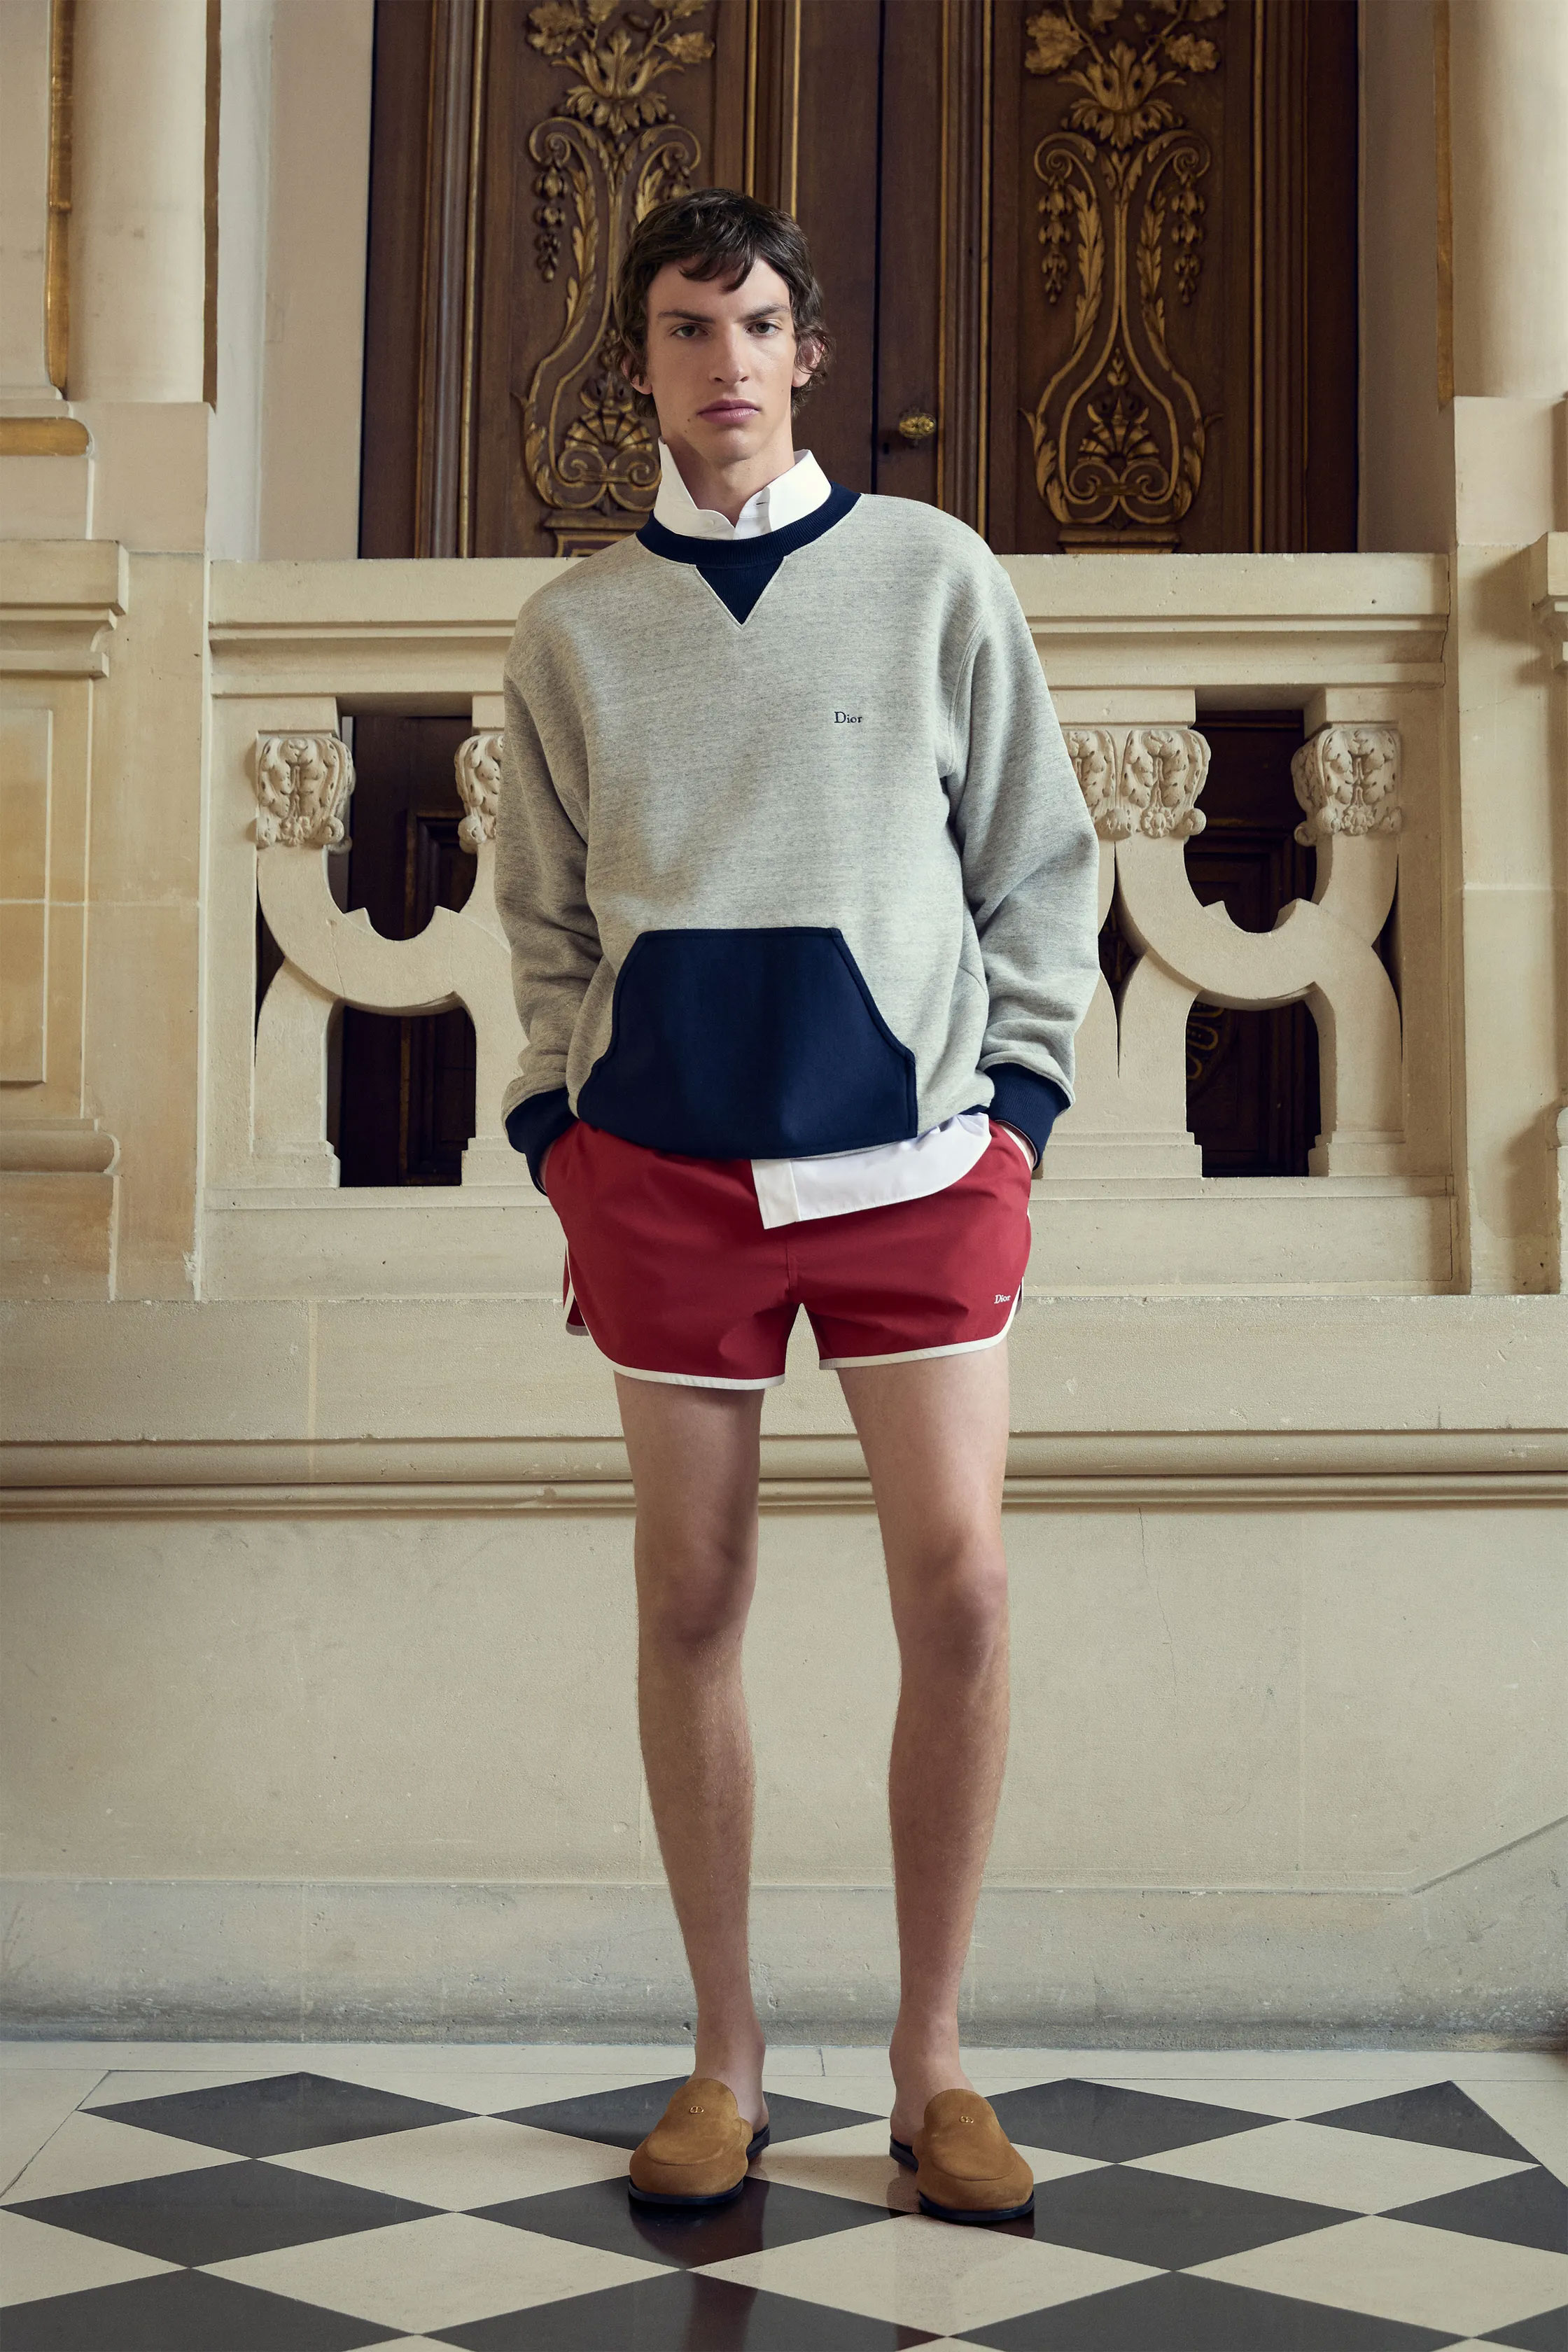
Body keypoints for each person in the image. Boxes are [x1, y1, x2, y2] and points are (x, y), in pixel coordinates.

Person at [494, 187, 1099, 2225]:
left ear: (807, 354)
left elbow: (1040, 861)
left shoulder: (934, 574)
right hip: (665, 1175)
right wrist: (557, 1140)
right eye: (687, 329)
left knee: (966, 1591)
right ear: (641, 364)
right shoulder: (576, 629)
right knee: (691, 1602)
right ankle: (727, 2056)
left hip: (916, 1164)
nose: (726, 362)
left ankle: (935, 2064)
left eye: (756, 325)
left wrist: (1019, 1118)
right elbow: (543, 921)